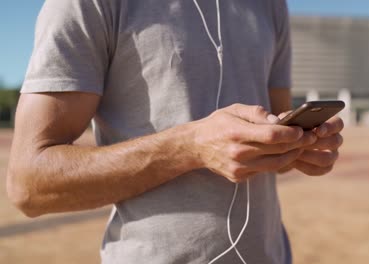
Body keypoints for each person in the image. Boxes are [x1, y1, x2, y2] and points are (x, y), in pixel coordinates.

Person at [6, 0, 344, 263]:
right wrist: (190, 147)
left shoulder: (269, 5)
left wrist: (296, 146)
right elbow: (29, 183)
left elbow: (271, 143)